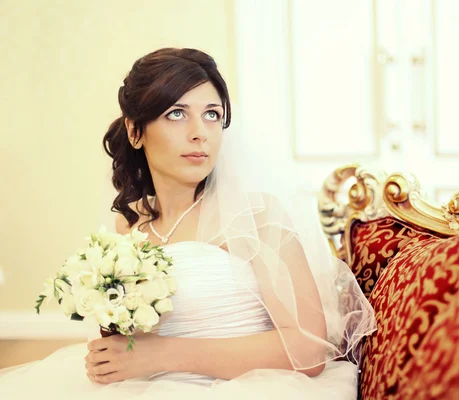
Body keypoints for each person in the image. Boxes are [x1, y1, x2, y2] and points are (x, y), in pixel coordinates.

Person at [0, 48, 375, 399]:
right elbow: (135, 344)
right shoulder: (129, 229)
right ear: (134, 131)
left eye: (211, 113)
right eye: (176, 113)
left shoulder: (257, 216)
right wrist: (113, 354)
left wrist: (163, 355)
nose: (200, 132)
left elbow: (309, 349)